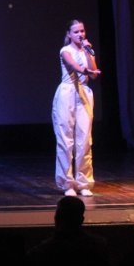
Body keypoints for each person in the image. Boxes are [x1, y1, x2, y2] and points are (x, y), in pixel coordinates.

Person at [51, 19, 100, 197]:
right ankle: (67, 183)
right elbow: (73, 65)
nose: (80, 34)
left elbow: (94, 74)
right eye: (76, 31)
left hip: (84, 94)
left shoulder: (88, 50)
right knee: (66, 140)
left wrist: (88, 53)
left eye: (82, 31)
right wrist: (86, 71)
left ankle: (83, 182)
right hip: (67, 93)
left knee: (84, 139)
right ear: (69, 34)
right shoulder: (65, 50)